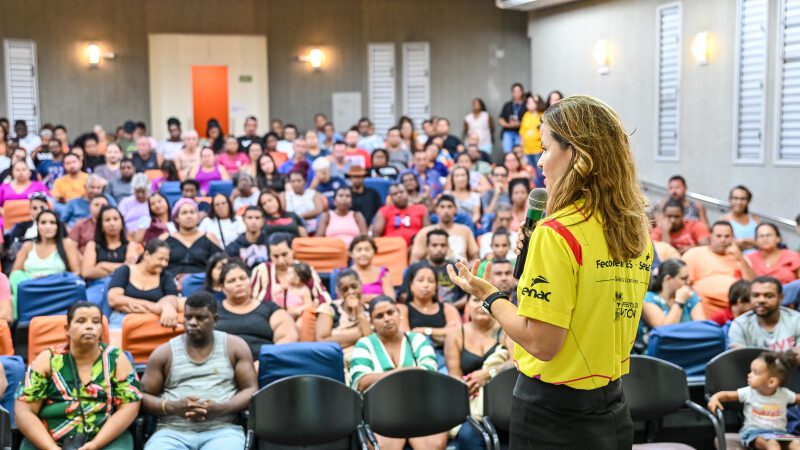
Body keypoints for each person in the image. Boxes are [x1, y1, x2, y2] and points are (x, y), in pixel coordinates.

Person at [447, 96, 655, 448]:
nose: (540, 162)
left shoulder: (558, 232)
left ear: (576, 154)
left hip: (554, 413)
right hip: (613, 405)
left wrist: (489, 295)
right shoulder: (635, 230)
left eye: (545, 149)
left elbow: (542, 344)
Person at [15, 302, 141, 450]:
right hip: (48, 439)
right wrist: (50, 448)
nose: (89, 326)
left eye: (96, 322)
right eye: (81, 321)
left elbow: (129, 406)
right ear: (67, 329)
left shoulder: (116, 359)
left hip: (104, 438)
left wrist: (95, 444)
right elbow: (24, 411)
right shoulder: (48, 359)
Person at [141, 292, 258, 450]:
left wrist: (222, 408)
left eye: (200, 318)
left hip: (223, 431)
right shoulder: (164, 352)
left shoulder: (234, 346)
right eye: (188, 317)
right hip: (172, 432)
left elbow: (251, 389)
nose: (192, 323)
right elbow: (142, 396)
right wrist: (173, 407)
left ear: (215, 320)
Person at [349, 296, 446, 450]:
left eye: (390, 312)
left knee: (434, 445)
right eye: (379, 316)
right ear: (372, 322)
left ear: (399, 313)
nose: (387, 319)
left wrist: (383, 378)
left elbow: (429, 374)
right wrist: (409, 372)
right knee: (380, 446)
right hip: (380, 415)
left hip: (420, 410)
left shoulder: (417, 339)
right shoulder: (364, 344)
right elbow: (362, 382)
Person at [444, 295, 512, 450]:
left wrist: (489, 373)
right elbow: (454, 375)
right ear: (466, 306)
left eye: (485, 300)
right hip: (471, 404)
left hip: (504, 401)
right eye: (475, 300)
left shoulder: (507, 330)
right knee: (469, 436)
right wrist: (466, 385)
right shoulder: (455, 335)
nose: (481, 305)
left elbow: (515, 364)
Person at [707, 351, 800, 450]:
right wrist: (715, 398)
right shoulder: (749, 392)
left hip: (780, 434)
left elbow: (798, 398)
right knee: (773, 445)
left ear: (771, 382)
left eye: (755, 372)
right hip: (754, 432)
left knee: (797, 444)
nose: (749, 375)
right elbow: (726, 395)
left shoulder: (784, 394)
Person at [215, 261, 298, 359]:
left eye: (242, 278)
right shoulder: (213, 311)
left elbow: (288, 337)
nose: (238, 283)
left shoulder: (270, 309)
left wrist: (265, 362)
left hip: (264, 365)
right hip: (222, 365)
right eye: (231, 281)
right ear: (222, 287)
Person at [10, 210, 81, 313]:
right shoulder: (28, 246)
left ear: (58, 226)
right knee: (15, 277)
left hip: (56, 287)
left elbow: (76, 272)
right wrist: (33, 280)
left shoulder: (66, 244)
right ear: (37, 225)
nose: (48, 227)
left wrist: (48, 278)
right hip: (31, 287)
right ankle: (20, 321)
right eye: (43, 223)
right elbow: (15, 273)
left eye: (52, 223)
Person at [683, 221, 756, 317]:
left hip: (735, 307)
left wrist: (740, 259)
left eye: (727, 236)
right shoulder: (693, 254)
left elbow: (752, 285)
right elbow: (683, 283)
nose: (723, 240)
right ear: (710, 236)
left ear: (733, 238)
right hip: (702, 305)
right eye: (718, 236)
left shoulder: (741, 258)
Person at [106, 239, 180, 329]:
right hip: (122, 320)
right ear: (147, 255)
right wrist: (154, 307)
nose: (164, 264)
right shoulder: (125, 271)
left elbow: (172, 299)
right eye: (160, 259)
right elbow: (113, 299)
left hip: (152, 321)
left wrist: (166, 307)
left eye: (166, 260)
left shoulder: (165, 276)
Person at [251, 232, 331, 305]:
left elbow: (323, 297)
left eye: (284, 254)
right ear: (269, 255)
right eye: (275, 256)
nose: (281, 261)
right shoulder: (261, 270)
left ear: (292, 250)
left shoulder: (304, 269)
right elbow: (251, 300)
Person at [729, 276, 800, 351]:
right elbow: (738, 358)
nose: (761, 300)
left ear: (780, 298)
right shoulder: (739, 325)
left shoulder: (796, 320)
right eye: (755, 295)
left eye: (768, 296)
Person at [401, 264, 460, 352]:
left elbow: (457, 332)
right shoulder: (403, 309)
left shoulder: (447, 308)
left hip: (446, 354)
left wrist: (425, 331)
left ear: (436, 287)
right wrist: (442, 334)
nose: (426, 285)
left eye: (431, 281)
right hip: (415, 354)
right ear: (411, 286)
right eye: (420, 280)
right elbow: (406, 335)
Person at [640, 259, 705, 338]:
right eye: (683, 278)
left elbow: (702, 329)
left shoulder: (690, 296)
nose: (688, 282)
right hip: (663, 347)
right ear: (668, 279)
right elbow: (665, 331)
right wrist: (679, 302)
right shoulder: (649, 298)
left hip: (689, 344)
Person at [315, 269, 372, 358]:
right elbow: (322, 341)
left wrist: (359, 312)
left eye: (354, 287)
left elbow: (372, 341)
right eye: (345, 289)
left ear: (361, 285)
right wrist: (360, 335)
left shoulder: (371, 310)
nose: (350, 292)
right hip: (338, 358)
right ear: (338, 292)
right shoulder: (329, 309)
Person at [161, 198, 223, 278]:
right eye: (184, 213)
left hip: (202, 285)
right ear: (176, 218)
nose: (189, 216)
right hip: (170, 284)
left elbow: (221, 264)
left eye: (192, 212)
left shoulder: (209, 237)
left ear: (197, 216)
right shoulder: (165, 239)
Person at [411, 195, 479, 263]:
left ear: (456, 210)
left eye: (449, 207)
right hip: (433, 271)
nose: (446, 211)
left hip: (460, 271)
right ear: (436, 209)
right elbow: (414, 259)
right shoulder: (425, 232)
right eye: (442, 207)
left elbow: (475, 256)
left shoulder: (465, 231)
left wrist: (468, 269)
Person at [81, 206, 138, 286]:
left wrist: (103, 265)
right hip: (98, 286)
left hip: (123, 286)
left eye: (115, 219)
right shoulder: (92, 245)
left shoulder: (130, 245)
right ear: (101, 226)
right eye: (107, 220)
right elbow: (86, 272)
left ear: (122, 223)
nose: (112, 223)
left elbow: (131, 268)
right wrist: (122, 266)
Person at [349, 235, 394, 300]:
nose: (363, 253)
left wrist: (365, 298)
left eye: (367, 250)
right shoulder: (346, 274)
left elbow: (390, 299)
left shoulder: (384, 274)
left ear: (374, 252)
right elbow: (346, 299)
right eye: (359, 250)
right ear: (351, 253)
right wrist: (376, 297)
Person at [283, 169, 325, 234]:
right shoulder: (285, 196)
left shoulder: (313, 193)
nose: (296, 183)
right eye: (293, 181)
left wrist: (302, 216)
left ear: (304, 181)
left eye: (299, 181)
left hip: (314, 223)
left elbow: (319, 210)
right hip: (295, 226)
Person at [721, 185, 761, 251]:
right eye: (735, 198)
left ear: (748, 201)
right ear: (730, 200)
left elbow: (762, 242)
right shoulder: (724, 220)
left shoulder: (755, 219)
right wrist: (752, 242)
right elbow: (726, 244)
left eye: (743, 199)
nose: (739, 202)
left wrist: (743, 241)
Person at [519, 93, 546, 186]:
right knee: (531, 171)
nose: (528, 104)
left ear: (537, 103)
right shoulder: (526, 115)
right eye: (528, 102)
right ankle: (536, 189)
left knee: (541, 172)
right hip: (527, 150)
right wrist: (522, 148)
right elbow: (522, 132)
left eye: (531, 102)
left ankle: (543, 189)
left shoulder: (543, 115)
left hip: (539, 149)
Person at [498, 83, 525, 154]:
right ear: (512, 92)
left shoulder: (526, 105)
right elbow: (501, 118)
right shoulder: (507, 105)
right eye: (515, 91)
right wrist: (508, 125)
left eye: (518, 91)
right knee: (508, 152)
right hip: (508, 131)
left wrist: (519, 124)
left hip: (521, 132)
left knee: (520, 152)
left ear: (522, 92)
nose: (517, 93)